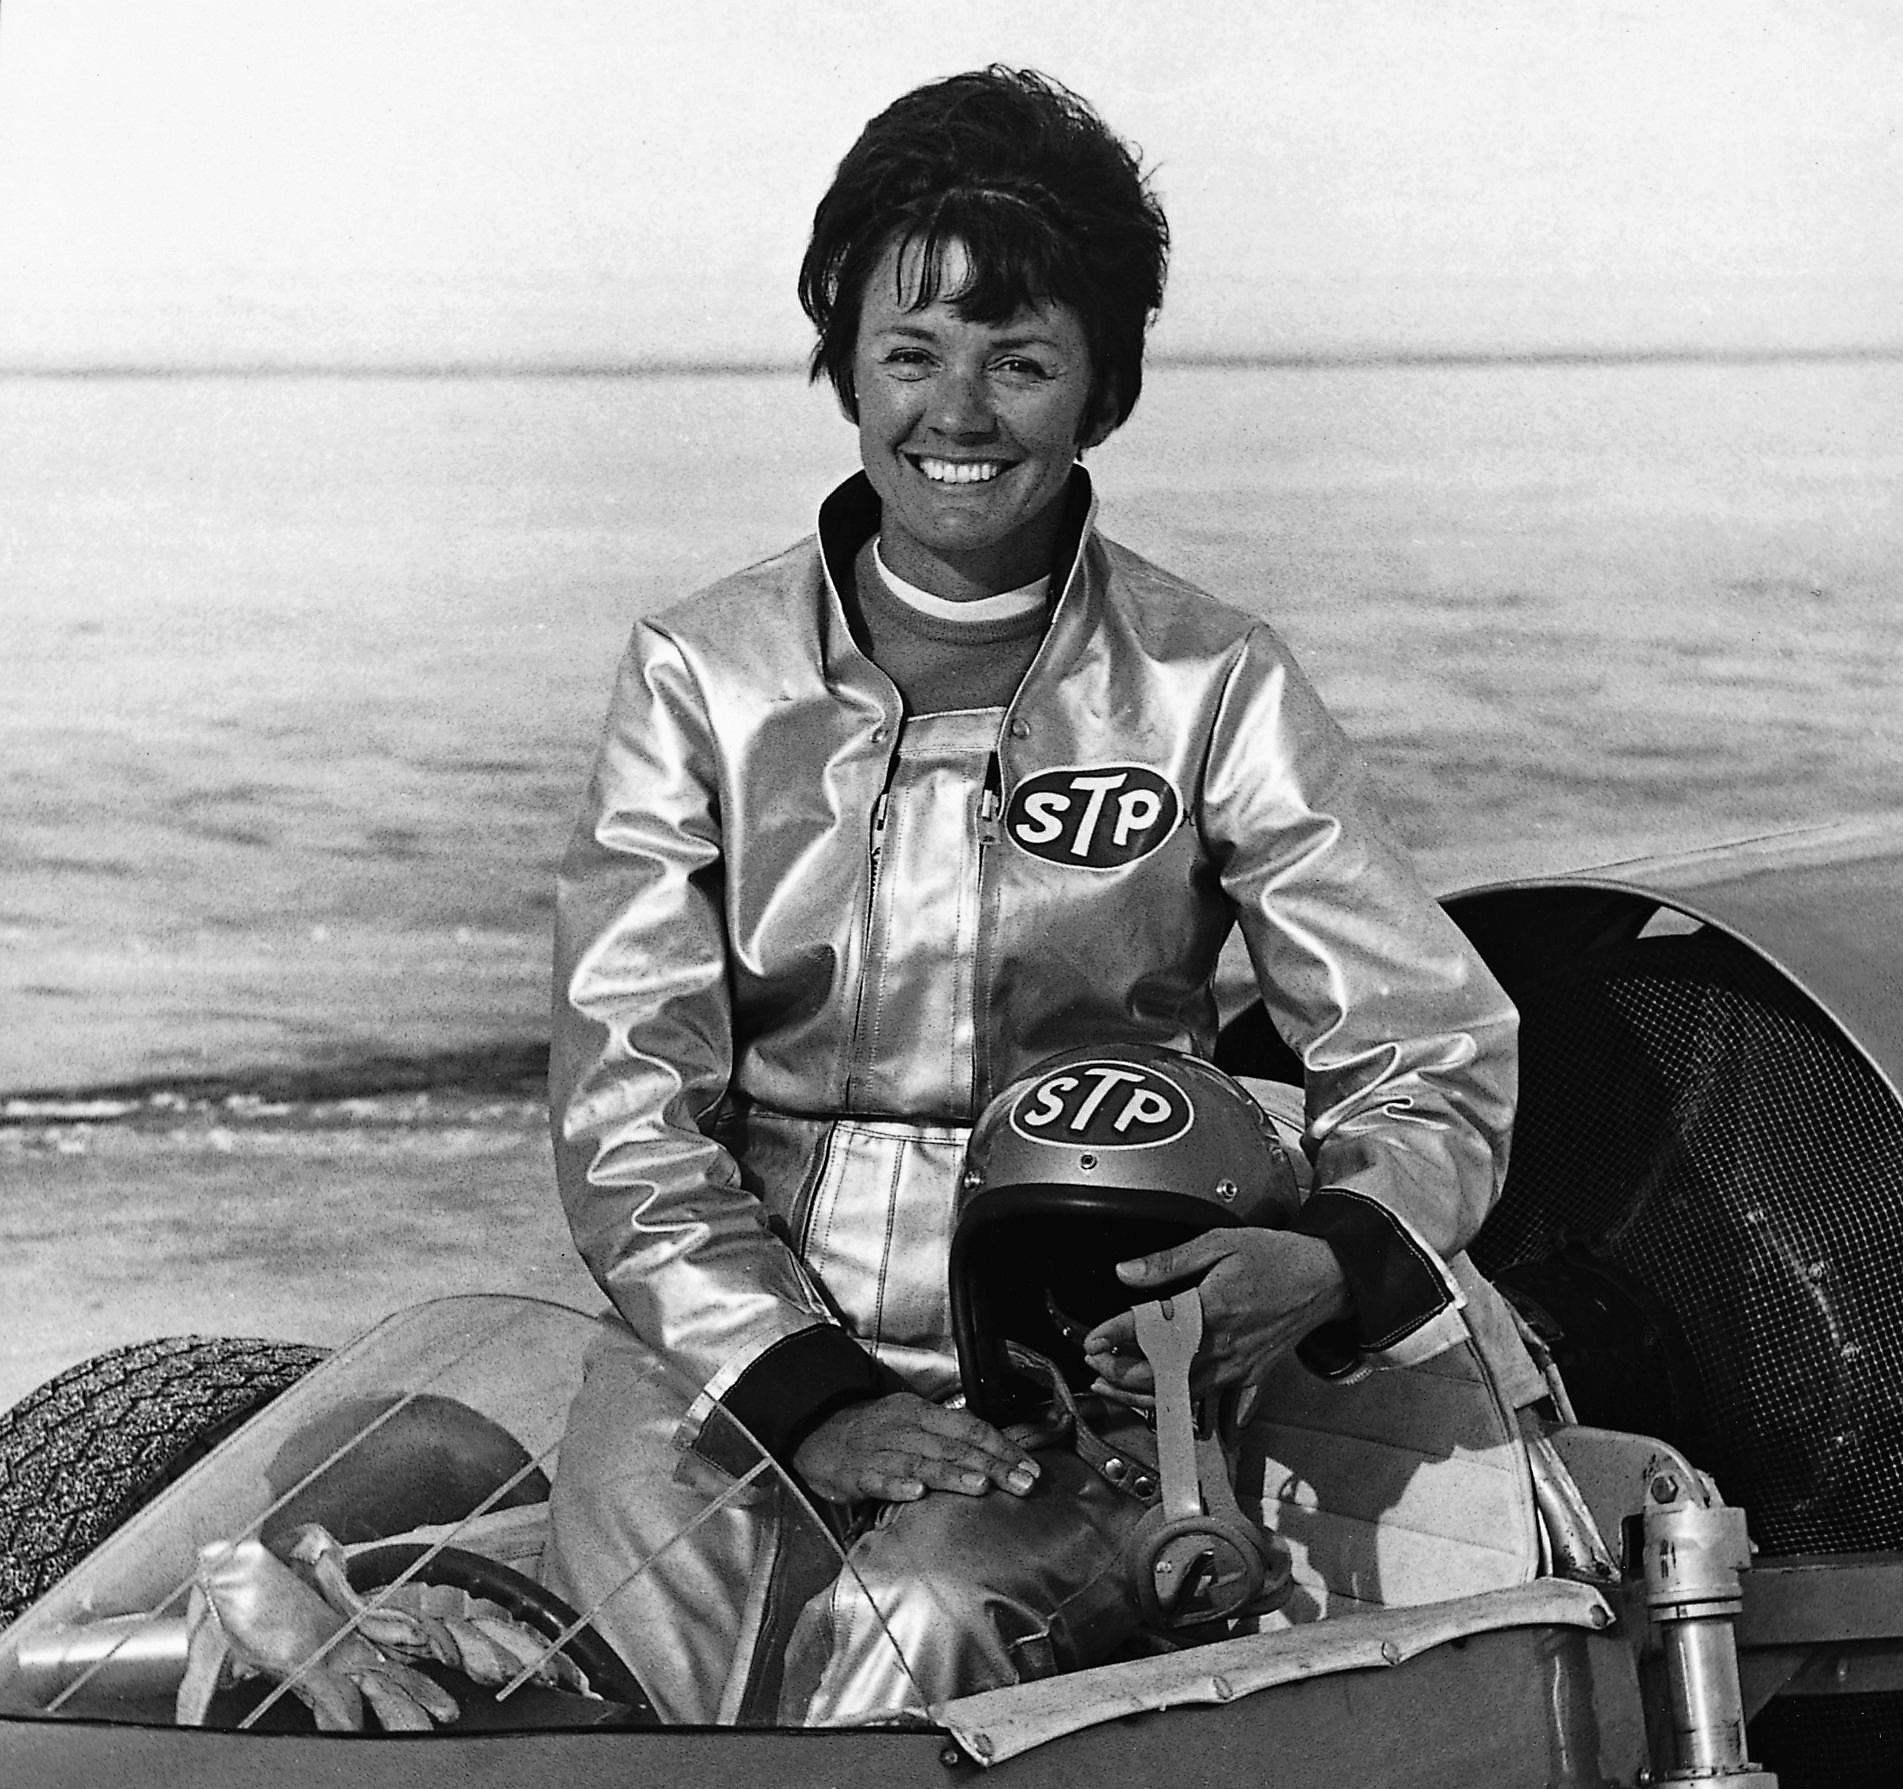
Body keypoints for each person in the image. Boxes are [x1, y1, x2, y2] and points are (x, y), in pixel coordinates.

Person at [542, 66, 1519, 1726]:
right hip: (719, 1359)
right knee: (643, 1686)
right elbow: (624, 1098)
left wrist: (1330, 1258)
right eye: (911, 353)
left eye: (1021, 358)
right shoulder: (700, 675)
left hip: (1089, 1377)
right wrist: (805, 1391)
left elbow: (1435, 1052)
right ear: (843, 362)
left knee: (921, 1622)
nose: (960, 411)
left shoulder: (1215, 684)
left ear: (1102, 388)